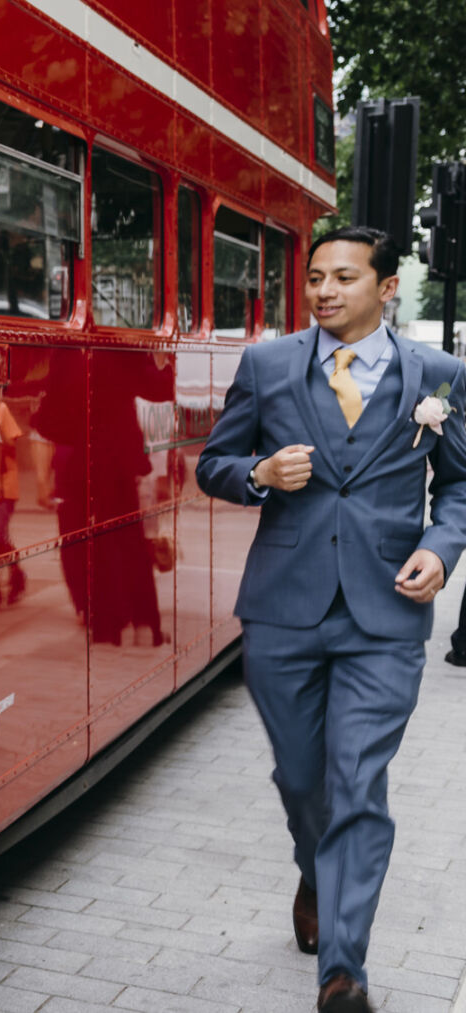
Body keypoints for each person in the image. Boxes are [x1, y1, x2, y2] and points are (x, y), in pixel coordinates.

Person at [195, 225, 466, 1013]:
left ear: (387, 289)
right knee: (302, 778)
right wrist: (258, 471)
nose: (323, 290)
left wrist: (443, 549)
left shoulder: (441, 376)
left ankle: (343, 972)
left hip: (387, 611)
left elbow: (457, 485)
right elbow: (214, 463)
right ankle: (315, 869)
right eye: (315, 276)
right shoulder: (268, 364)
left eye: (344, 276)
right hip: (281, 609)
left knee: (356, 783)